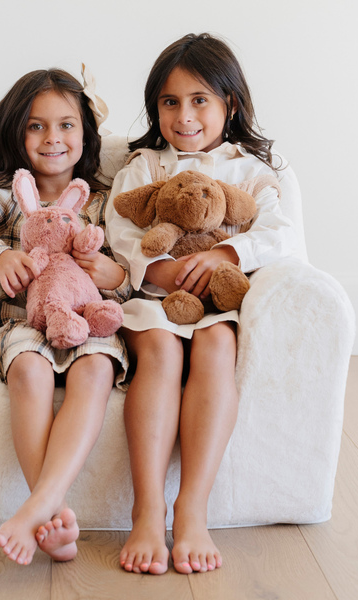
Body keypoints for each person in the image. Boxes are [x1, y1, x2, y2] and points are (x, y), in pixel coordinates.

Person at [106, 33, 298, 575]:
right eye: (170, 102)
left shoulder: (254, 170)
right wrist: (161, 270)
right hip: (155, 303)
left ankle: (191, 508)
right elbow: (118, 227)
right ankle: (147, 510)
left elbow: (282, 232)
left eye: (200, 100)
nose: (184, 116)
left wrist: (227, 252)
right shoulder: (144, 167)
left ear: (229, 104)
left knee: (217, 345)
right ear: (156, 108)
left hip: (218, 304)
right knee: (161, 355)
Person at [0, 67, 130, 566]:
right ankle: (55, 515)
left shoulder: (103, 200)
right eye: (36, 126)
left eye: (65, 125)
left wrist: (113, 274)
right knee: (28, 369)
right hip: (27, 323)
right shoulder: (4, 194)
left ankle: (39, 507)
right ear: (16, 132)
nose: (52, 138)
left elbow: (133, 271)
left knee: (97, 369)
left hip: (89, 319)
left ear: (85, 132)